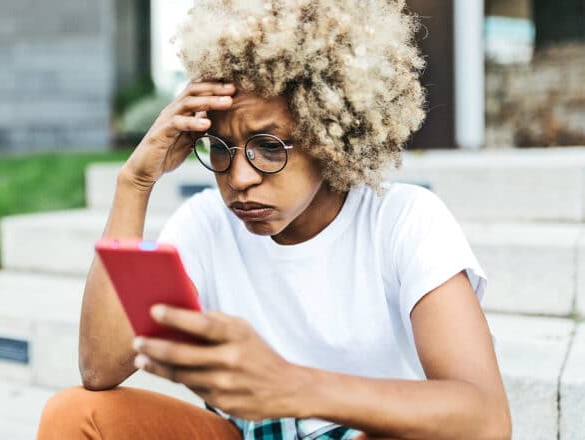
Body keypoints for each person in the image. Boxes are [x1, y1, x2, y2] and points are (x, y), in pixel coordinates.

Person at [36, 0, 511, 438]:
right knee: (76, 416)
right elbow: (100, 369)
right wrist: (134, 183)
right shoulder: (204, 224)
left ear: (330, 137)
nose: (239, 177)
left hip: (370, 432)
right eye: (220, 148)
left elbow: (486, 419)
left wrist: (292, 386)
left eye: (268, 147)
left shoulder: (403, 221)